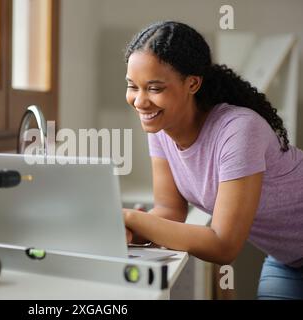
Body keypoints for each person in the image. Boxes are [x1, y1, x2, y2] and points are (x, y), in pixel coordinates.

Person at [122, 21, 303, 300]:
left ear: (192, 83)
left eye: (154, 88)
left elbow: (223, 245)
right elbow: (170, 210)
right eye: (133, 86)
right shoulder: (161, 126)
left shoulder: (239, 130)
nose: (140, 101)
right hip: (289, 260)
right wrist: (131, 229)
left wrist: (132, 218)